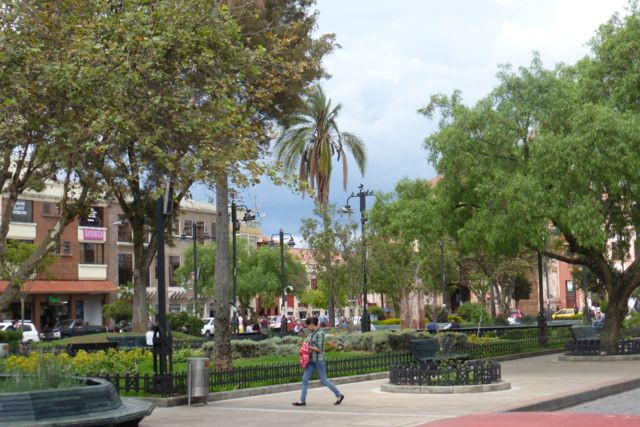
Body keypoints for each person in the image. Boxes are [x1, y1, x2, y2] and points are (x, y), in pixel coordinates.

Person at [292, 316, 344, 407]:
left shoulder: (321, 333)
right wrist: (304, 345)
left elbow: (319, 349)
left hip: (319, 360)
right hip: (311, 360)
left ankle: (339, 395)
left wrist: (307, 347)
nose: (307, 328)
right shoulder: (312, 333)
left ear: (312, 325)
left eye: (308, 326)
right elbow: (307, 343)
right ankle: (302, 400)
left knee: (324, 380)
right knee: (305, 379)